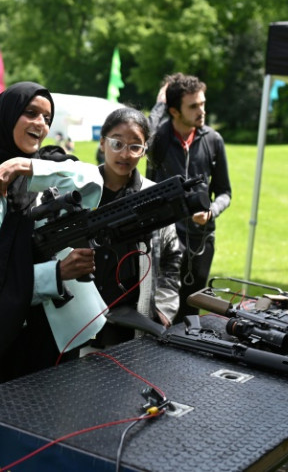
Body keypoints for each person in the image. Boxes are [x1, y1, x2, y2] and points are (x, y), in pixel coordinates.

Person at [0, 81, 107, 392]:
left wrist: (28, 167)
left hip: (64, 330)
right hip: (10, 333)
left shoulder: (48, 168)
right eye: (30, 113)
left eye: (47, 118)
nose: (40, 124)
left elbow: (95, 181)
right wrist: (58, 273)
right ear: (6, 116)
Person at [86, 107, 181, 350]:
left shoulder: (155, 197)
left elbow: (173, 256)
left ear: (144, 151)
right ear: (102, 142)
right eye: (117, 143)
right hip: (83, 320)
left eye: (135, 146)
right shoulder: (81, 192)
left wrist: (164, 310)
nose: (125, 154)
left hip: (133, 323)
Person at [146, 73, 231, 324]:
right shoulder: (158, 139)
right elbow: (143, 133)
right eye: (193, 106)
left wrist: (211, 212)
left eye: (202, 103)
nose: (201, 110)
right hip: (163, 239)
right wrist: (159, 104)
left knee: (191, 313)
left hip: (201, 240)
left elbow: (225, 192)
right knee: (159, 311)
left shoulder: (214, 140)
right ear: (174, 110)